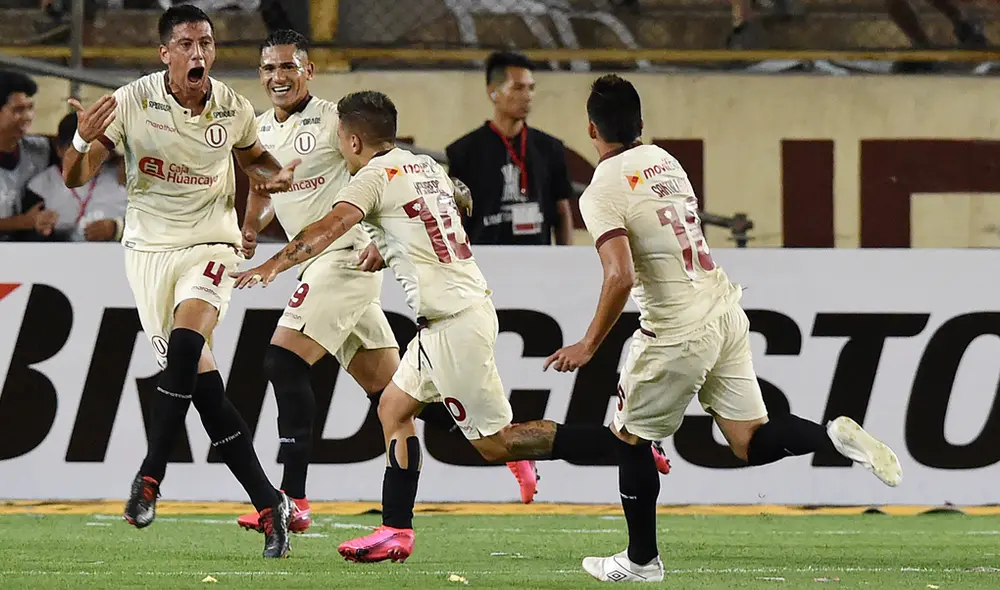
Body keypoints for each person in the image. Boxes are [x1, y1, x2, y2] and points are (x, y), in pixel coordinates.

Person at [231, 90, 670, 565]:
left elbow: (328, 228)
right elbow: (461, 200)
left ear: (353, 139)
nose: (336, 144)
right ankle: (396, 530)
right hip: (448, 318)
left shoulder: (369, 179)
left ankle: (626, 444)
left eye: (338, 137)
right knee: (394, 408)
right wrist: (391, 240)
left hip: (454, 323)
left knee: (496, 444)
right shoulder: (421, 166)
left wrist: (273, 265)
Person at [544, 74, 902, 583]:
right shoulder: (666, 162)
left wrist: (588, 344)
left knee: (628, 437)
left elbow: (620, 273)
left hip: (675, 328)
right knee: (748, 440)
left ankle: (642, 561)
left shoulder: (601, 188)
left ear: (591, 130)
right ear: (641, 125)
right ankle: (830, 437)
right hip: (723, 310)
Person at [233, 30, 541, 535]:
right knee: (393, 395)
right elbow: (262, 184)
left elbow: (403, 170)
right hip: (315, 261)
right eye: (269, 68)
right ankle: (507, 446)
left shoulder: (340, 119)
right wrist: (250, 227)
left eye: (288, 66)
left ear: (308, 71)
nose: (278, 77)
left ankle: (293, 499)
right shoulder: (261, 127)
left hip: (343, 257)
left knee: (282, 361)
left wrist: (394, 229)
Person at [61, 4, 301, 559]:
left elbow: (258, 162)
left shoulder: (233, 108)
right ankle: (271, 505)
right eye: (188, 44)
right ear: (165, 52)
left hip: (210, 246)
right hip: (148, 253)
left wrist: (275, 180)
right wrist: (79, 141)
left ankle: (150, 475)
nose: (199, 53)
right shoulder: (130, 102)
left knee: (189, 343)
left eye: (207, 44)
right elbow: (78, 175)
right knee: (207, 394)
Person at [446, 51, 574, 246]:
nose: (527, 96)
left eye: (531, 88)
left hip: (538, 261)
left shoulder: (550, 148)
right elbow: (457, 215)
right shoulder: (465, 151)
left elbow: (562, 211)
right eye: (518, 88)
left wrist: (566, 259)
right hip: (485, 260)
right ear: (493, 92)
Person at [25, 112, 126, 242]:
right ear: (60, 150)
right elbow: (23, 236)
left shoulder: (122, 177)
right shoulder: (41, 186)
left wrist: (117, 229)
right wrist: (40, 230)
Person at [0, 70, 57, 241]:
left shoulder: (41, 149)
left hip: (30, 252)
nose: (28, 116)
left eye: (30, 108)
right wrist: (22, 222)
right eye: (18, 110)